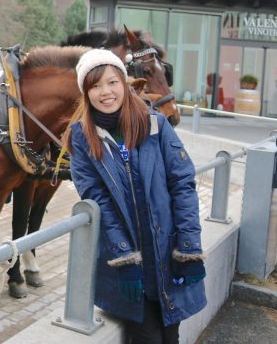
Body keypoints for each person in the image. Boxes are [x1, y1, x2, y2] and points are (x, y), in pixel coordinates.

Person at [64, 49, 207, 343]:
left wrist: (189, 248)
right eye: (95, 85)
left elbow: (183, 185)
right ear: (85, 92)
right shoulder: (81, 138)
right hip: (130, 266)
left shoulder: (155, 124)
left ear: (124, 83)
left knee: (171, 335)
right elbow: (98, 203)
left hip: (167, 255)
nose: (106, 92)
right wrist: (124, 259)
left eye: (112, 82)